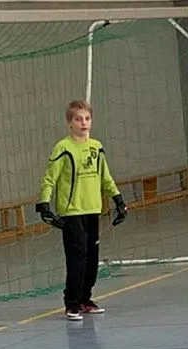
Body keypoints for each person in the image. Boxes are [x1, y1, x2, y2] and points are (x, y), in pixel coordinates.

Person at [36, 100, 128, 321]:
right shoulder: (63, 148)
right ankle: (72, 303)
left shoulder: (96, 147)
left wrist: (118, 199)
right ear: (70, 123)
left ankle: (86, 299)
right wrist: (44, 204)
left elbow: (105, 177)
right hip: (72, 212)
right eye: (78, 119)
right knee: (77, 258)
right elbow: (50, 178)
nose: (83, 123)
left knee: (92, 258)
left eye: (87, 118)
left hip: (93, 209)